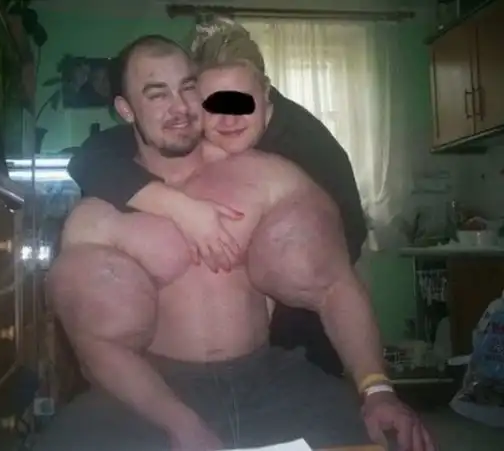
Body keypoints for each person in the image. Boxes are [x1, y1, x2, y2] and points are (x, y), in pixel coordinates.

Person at [37, 35, 435, 451]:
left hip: (269, 376)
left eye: (188, 87)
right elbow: (97, 345)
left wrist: (377, 391)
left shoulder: (271, 176)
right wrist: (181, 425)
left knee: (386, 440)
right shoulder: (96, 216)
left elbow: (336, 284)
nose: (179, 106)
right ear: (126, 109)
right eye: (157, 95)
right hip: (156, 390)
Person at [67, 22, 364, 377]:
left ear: (266, 95)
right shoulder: (186, 134)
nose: (227, 120)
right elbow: (89, 160)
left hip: (303, 336)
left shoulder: (305, 151)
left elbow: (341, 251)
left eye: (240, 103)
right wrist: (181, 209)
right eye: (212, 104)